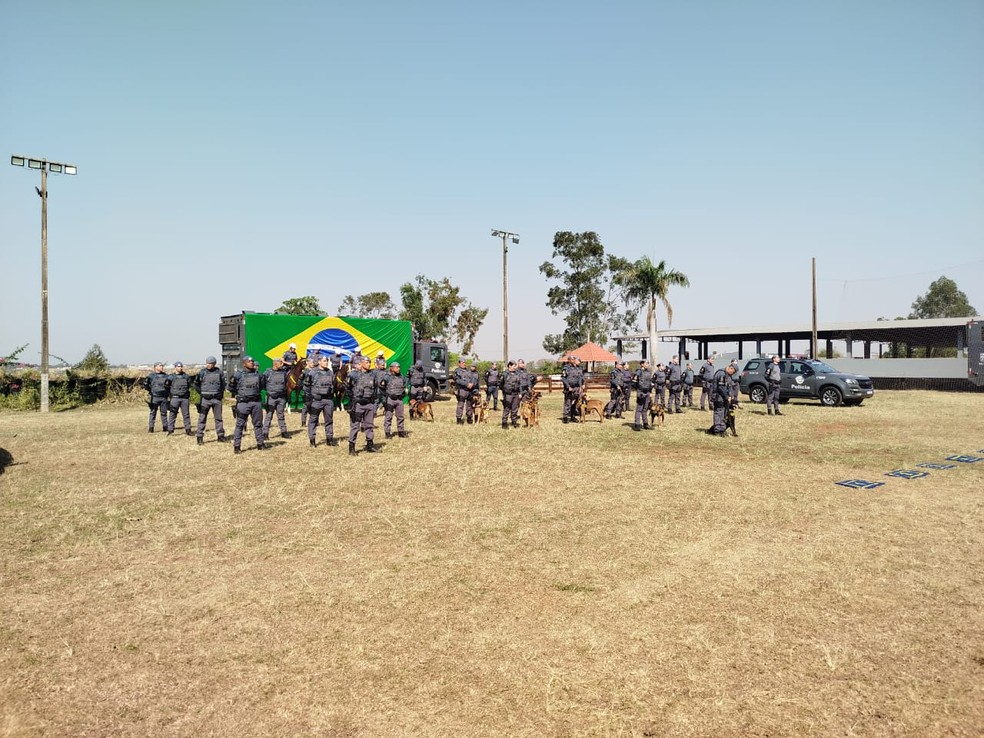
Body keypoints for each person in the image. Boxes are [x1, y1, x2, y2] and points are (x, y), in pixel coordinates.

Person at [228, 355, 266, 454]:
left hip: (256, 402)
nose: (252, 363)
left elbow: (262, 386)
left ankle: (260, 444)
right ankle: (237, 447)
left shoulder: (259, 375)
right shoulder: (238, 375)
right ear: (244, 363)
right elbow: (231, 387)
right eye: (249, 362)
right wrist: (240, 393)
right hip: (243, 403)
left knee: (258, 424)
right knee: (240, 425)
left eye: (252, 361)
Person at [347, 354, 380, 454]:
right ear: (361, 363)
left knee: (369, 425)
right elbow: (347, 387)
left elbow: (375, 388)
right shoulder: (354, 374)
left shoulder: (373, 375)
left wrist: (373, 400)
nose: (369, 364)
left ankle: (370, 444)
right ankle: (352, 447)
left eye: (370, 362)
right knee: (355, 426)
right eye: (366, 362)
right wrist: (352, 400)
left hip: (369, 403)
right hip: (358, 404)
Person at [304, 354, 337, 447]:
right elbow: (306, 387)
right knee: (313, 420)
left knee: (329, 420)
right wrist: (309, 400)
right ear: (319, 362)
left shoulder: (330, 372)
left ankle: (329, 439)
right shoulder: (312, 373)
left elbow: (333, 384)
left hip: (328, 400)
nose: (326, 362)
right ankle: (312, 440)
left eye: (326, 361)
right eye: (324, 361)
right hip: (316, 400)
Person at [194, 356, 227, 444]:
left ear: (214, 364)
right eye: (207, 363)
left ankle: (220, 436)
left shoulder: (219, 372)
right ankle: (199, 437)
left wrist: (221, 393)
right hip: (205, 399)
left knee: (218, 418)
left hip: (216, 399)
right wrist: (201, 393)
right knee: (202, 418)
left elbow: (223, 384)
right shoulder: (202, 373)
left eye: (210, 363)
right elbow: (196, 384)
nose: (208, 365)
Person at [262, 357, 291, 441]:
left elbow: (286, 384)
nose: (282, 365)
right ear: (275, 363)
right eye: (281, 363)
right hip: (271, 397)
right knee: (269, 416)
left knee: (281, 415)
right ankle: (265, 433)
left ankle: (284, 432)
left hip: (281, 397)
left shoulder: (283, 373)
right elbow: (263, 384)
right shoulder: (267, 373)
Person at [381, 361, 408, 439]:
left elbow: (405, 383)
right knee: (388, 416)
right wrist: (385, 397)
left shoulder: (401, 376)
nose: (399, 368)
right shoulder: (387, 377)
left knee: (400, 416)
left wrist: (404, 391)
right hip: (390, 399)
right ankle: (387, 433)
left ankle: (401, 432)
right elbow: (381, 387)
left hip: (399, 399)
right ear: (392, 368)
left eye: (399, 367)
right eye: (397, 367)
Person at [708, 363, 737, 436]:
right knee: (718, 413)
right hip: (718, 397)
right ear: (730, 368)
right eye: (733, 372)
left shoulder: (727, 375)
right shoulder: (721, 374)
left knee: (724, 413)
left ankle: (722, 429)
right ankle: (717, 430)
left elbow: (729, 387)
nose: (733, 374)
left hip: (724, 397)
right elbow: (721, 387)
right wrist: (727, 396)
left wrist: (731, 397)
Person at [166, 362, 193, 436]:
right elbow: (166, 387)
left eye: (181, 366)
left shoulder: (186, 377)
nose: (180, 368)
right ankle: (170, 430)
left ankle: (188, 430)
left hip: (184, 399)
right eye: (178, 366)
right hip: (175, 398)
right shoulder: (171, 377)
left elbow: (189, 385)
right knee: (172, 414)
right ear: (175, 367)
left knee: (186, 415)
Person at [144, 362, 170, 433]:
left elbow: (169, 385)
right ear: (155, 367)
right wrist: (150, 391)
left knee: (164, 413)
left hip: (163, 397)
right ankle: (151, 428)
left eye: (162, 366)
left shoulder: (166, 376)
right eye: (160, 366)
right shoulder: (151, 376)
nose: (162, 367)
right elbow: (145, 385)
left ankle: (165, 427)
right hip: (154, 397)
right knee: (153, 413)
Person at [561, 354, 585, 424]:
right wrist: (568, 386)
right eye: (572, 359)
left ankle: (572, 416)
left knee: (576, 403)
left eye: (574, 359)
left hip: (577, 388)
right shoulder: (566, 368)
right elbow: (563, 378)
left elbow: (580, 378)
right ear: (568, 360)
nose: (573, 360)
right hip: (569, 388)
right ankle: (565, 417)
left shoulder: (577, 368)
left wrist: (581, 386)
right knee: (568, 402)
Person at [632, 359, 654, 431]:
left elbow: (650, 382)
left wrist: (650, 392)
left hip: (647, 392)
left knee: (645, 409)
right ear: (642, 364)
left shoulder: (648, 372)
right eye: (646, 363)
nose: (647, 365)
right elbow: (634, 381)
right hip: (641, 392)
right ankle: (637, 424)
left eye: (648, 363)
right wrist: (639, 389)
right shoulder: (639, 371)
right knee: (639, 409)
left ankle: (645, 424)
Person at [499, 360, 522, 429]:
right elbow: (500, 384)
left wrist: (520, 393)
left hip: (516, 394)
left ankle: (514, 422)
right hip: (508, 394)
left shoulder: (517, 374)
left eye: (515, 366)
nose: (515, 367)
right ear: (510, 366)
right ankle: (504, 423)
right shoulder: (504, 374)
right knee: (507, 408)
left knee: (515, 408)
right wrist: (505, 390)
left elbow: (520, 384)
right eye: (514, 366)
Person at [453, 357, 475, 425]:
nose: (464, 364)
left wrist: (472, 384)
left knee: (469, 405)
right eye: (463, 363)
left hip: (469, 391)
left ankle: (469, 418)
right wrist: (466, 384)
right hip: (462, 390)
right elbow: (457, 380)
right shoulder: (457, 371)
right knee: (460, 405)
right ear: (459, 363)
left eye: (465, 362)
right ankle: (459, 419)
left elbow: (473, 378)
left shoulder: (468, 371)